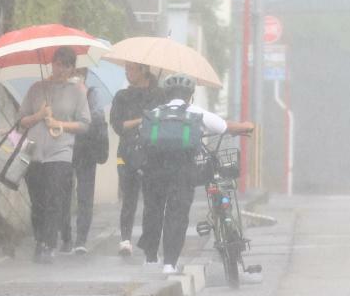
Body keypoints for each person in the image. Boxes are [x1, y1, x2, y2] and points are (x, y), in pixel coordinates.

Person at [137, 72, 254, 274]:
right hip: (182, 169)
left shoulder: (154, 113)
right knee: (177, 214)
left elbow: (142, 135)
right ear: (190, 94)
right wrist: (246, 126)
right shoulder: (195, 112)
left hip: (154, 169)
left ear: (167, 94)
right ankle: (169, 263)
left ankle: (150, 258)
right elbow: (224, 127)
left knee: (153, 211)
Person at [20, 46, 91, 264]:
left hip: (60, 152)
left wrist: (59, 123)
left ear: (72, 68)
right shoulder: (36, 89)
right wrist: (39, 115)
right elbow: (21, 120)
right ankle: (39, 239)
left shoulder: (78, 91)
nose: (60, 69)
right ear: (52, 63)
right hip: (34, 152)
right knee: (37, 202)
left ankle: (49, 244)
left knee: (53, 199)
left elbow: (85, 124)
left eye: (66, 65)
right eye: (57, 63)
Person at [110, 61, 165, 256]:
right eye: (125, 69)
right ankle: (125, 239)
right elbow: (117, 125)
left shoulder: (160, 95)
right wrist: (142, 120)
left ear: (144, 69)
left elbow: (165, 121)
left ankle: (150, 240)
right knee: (129, 197)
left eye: (131, 69)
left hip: (152, 153)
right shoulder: (122, 96)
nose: (127, 73)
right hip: (127, 152)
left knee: (152, 199)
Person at [60, 67, 107, 255]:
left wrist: (81, 102)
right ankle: (65, 237)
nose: (74, 77)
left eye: (78, 73)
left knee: (85, 195)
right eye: (72, 73)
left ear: (84, 76)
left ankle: (81, 239)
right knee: (63, 193)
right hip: (64, 148)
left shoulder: (92, 94)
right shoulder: (62, 93)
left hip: (86, 149)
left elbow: (97, 117)